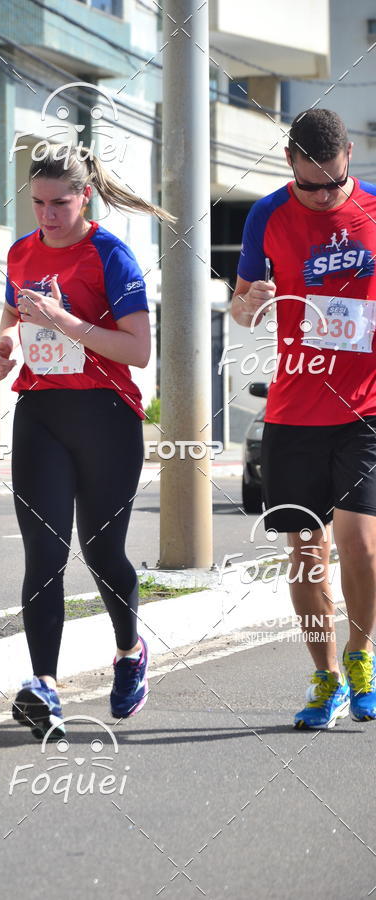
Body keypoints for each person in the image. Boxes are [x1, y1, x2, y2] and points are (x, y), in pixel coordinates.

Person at [0, 143, 176, 741]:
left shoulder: (111, 255)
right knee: (43, 555)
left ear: (84, 195)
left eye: (60, 203)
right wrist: (4, 350)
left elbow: (138, 351)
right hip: (40, 411)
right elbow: (14, 323)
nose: (47, 214)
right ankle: (44, 684)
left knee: (100, 552)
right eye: (38, 202)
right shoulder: (20, 252)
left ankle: (128, 651)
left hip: (106, 415)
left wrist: (68, 323)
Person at [232, 108, 376, 729]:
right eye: (310, 185)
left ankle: (360, 658)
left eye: (333, 184)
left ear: (349, 159)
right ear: (289, 162)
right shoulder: (266, 215)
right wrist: (250, 303)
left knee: (360, 545)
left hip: (364, 408)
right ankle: (324, 680)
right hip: (294, 410)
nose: (322, 196)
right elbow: (239, 312)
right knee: (305, 552)